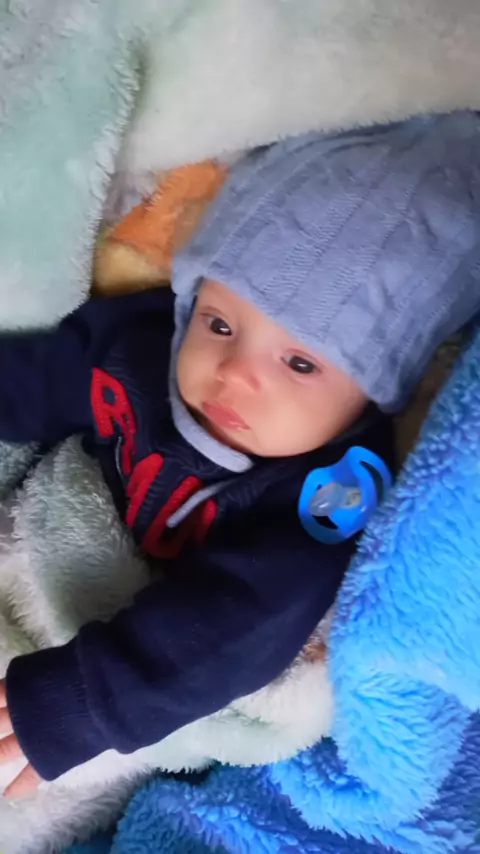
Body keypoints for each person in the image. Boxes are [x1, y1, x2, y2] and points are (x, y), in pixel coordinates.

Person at [1, 111, 480, 797]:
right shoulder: (142, 345)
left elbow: (243, 620)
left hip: (149, 676)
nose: (234, 374)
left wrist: (85, 704)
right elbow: (35, 380)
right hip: (61, 529)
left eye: (300, 363)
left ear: (373, 393)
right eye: (220, 322)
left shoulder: (330, 489)